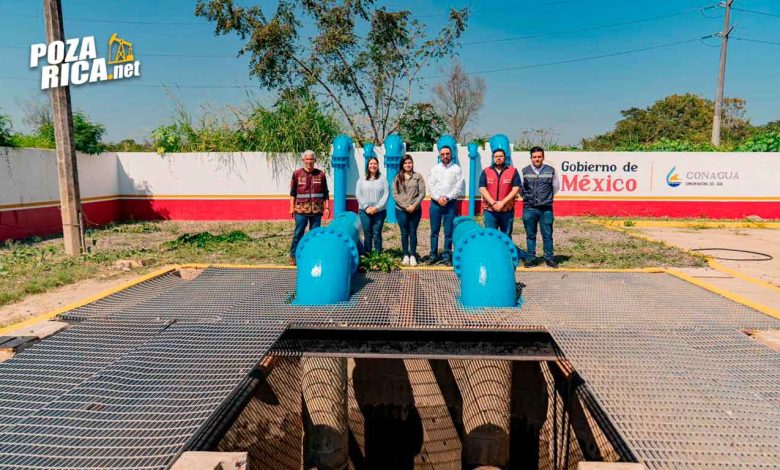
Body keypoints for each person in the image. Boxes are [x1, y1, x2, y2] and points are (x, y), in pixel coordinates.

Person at [521, 146, 560, 268]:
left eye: (539, 157)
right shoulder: (524, 171)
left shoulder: (551, 170)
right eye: (534, 157)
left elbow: (555, 187)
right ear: (531, 158)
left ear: (543, 157)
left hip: (546, 209)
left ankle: (549, 258)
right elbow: (521, 189)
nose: (537, 159)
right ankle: (531, 258)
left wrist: (545, 198)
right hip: (529, 208)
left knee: (547, 235)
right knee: (530, 235)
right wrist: (529, 198)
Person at [289, 150, 329, 265]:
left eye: (311, 159)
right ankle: (293, 256)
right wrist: (291, 207)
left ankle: (312, 256)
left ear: (315, 160)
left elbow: (325, 193)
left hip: (316, 210)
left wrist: (327, 208)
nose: (309, 161)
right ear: (303, 160)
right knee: (298, 233)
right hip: (301, 210)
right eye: (307, 159)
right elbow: (292, 193)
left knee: (315, 235)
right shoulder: (297, 174)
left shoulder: (321, 175)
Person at [427, 145, 464, 265]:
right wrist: (438, 199)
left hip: (450, 204)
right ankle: (433, 255)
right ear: (439, 155)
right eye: (442, 154)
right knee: (434, 231)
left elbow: (458, 187)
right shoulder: (435, 169)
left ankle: (446, 257)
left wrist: (447, 198)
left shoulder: (457, 169)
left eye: (447, 154)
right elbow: (431, 186)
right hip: (435, 204)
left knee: (448, 232)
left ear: (451, 154)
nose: (445, 156)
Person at [393, 155, 426, 266]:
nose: (408, 165)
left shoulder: (418, 176)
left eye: (409, 162)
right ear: (402, 165)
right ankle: (405, 255)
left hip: (415, 210)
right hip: (401, 210)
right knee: (404, 232)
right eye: (405, 163)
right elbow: (395, 194)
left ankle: (413, 256)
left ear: (412, 164)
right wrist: (406, 206)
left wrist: (413, 205)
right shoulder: (397, 177)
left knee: (412, 232)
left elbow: (422, 193)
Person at [479, 148, 521, 236]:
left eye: (501, 156)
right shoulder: (486, 171)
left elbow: (516, 189)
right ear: (493, 158)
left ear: (505, 157)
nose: (498, 158)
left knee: (506, 236)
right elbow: (482, 188)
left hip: (507, 210)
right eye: (496, 156)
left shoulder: (513, 171)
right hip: (490, 210)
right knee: (490, 236)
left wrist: (502, 203)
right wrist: (493, 203)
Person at [355, 156, 389, 254]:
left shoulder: (383, 179)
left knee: (377, 233)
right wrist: (366, 207)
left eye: (375, 163)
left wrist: (377, 207)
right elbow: (358, 193)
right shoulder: (362, 179)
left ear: (378, 165)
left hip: (379, 211)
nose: (373, 165)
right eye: (371, 163)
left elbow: (386, 194)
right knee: (367, 234)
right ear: (368, 165)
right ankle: (368, 255)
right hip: (364, 211)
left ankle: (378, 255)